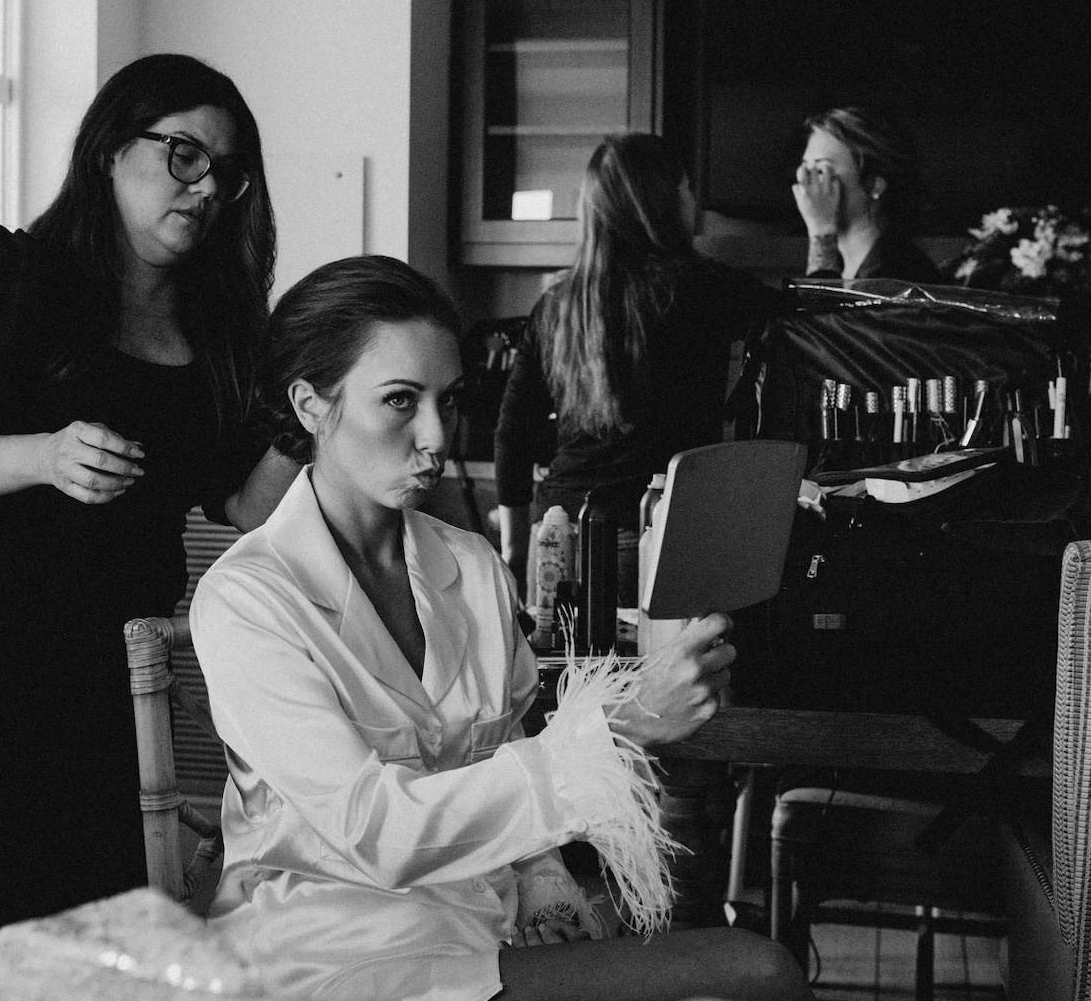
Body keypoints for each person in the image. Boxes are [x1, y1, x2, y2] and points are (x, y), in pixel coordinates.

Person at [192, 255, 813, 1001]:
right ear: (309, 405)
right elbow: (375, 833)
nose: (436, 436)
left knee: (753, 967)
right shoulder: (247, 599)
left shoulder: (472, 566)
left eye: (448, 400)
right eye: (399, 400)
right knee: (758, 969)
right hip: (325, 954)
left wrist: (546, 885)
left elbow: (505, 754)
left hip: (476, 930)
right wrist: (616, 729)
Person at [0, 53, 298, 968]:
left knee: (99, 956)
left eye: (226, 172)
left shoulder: (220, 334)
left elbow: (245, 507)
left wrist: (306, 426)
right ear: (108, 150)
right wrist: (41, 456)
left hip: (115, 696)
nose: (206, 188)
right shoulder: (5, 276)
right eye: (184, 153)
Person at [493, 133, 785, 590]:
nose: (694, 202)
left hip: (556, 536)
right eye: (686, 188)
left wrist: (514, 549)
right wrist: (824, 236)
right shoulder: (707, 290)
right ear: (665, 202)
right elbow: (808, 319)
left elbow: (513, 434)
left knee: (561, 643)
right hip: (652, 535)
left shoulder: (557, 306)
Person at [790, 105, 945, 287]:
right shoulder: (841, 266)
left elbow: (822, 306)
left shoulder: (901, 273)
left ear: (874, 185)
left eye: (821, 170)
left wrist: (822, 234)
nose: (804, 180)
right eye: (805, 166)